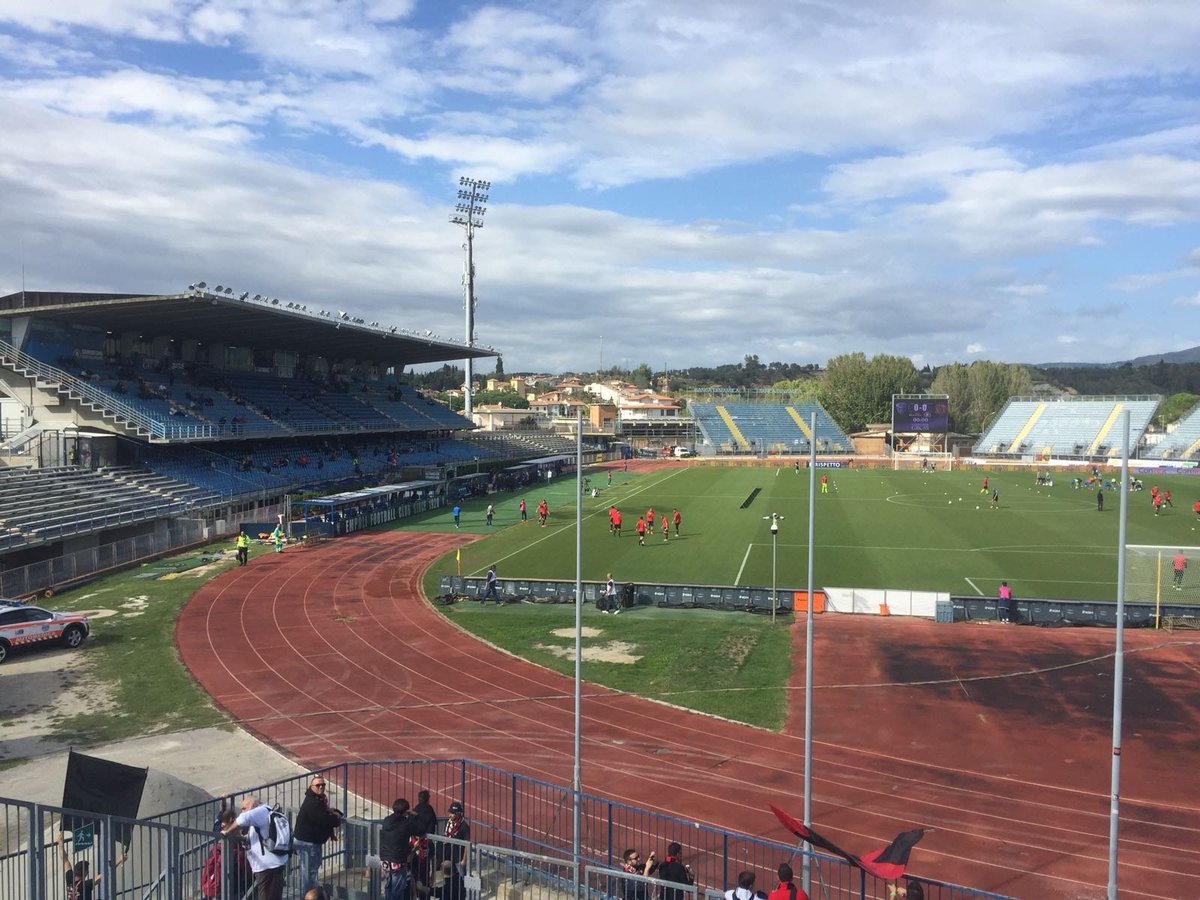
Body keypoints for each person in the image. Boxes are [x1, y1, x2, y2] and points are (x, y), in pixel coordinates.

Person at [221, 796, 288, 900]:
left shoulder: (261, 811)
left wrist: (227, 832)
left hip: (268, 868)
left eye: (244, 808)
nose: (242, 811)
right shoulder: (260, 816)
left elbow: (242, 819)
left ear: (254, 805)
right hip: (268, 867)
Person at [293, 775, 344, 893]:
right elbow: (327, 820)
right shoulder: (313, 803)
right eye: (318, 785)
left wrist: (328, 812)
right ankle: (308, 895)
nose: (321, 787)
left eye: (323, 785)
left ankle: (310, 894)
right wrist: (336, 817)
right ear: (312, 787)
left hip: (308, 842)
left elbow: (323, 815)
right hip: (308, 843)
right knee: (309, 874)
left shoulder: (317, 799)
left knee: (309, 872)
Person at [58, 830, 128, 900]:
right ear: (85, 872)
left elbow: (65, 860)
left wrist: (60, 844)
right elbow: (105, 873)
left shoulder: (70, 879)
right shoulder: (85, 885)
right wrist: (120, 860)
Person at [380, 799, 421, 900]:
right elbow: (419, 829)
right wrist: (413, 816)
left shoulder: (387, 821)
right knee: (397, 891)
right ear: (405, 811)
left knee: (389, 887)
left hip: (385, 859)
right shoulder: (405, 824)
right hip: (397, 860)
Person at [441, 801, 470, 874]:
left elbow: (467, 844)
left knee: (461, 878)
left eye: (452, 813)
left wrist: (464, 860)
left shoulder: (464, 826)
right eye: (450, 812)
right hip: (448, 857)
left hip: (458, 859)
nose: (450, 815)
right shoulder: (449, 823)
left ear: (458, 814)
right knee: (448, 877)